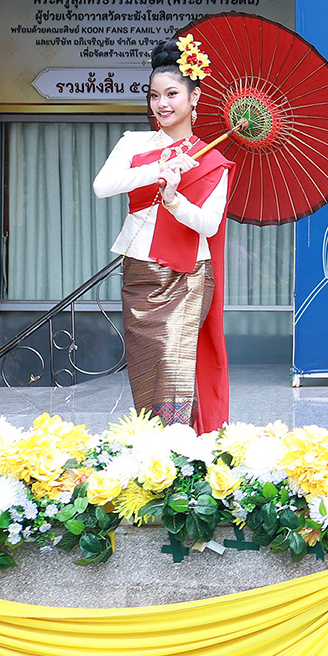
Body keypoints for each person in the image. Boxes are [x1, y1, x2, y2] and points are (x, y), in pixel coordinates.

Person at [91, 36, 231, 431]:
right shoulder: (133, 144)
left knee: (174, 362)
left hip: (188, 274)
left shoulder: (213, 160)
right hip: (139, 270)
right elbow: (103, 186)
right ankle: (152, 442)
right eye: (154, 96)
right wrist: (159, 168)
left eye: (172, 94)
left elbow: (209, 224)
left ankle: (178, 446)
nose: (161, 104)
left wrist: (174, 199)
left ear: (194, 97)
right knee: (146, 363)